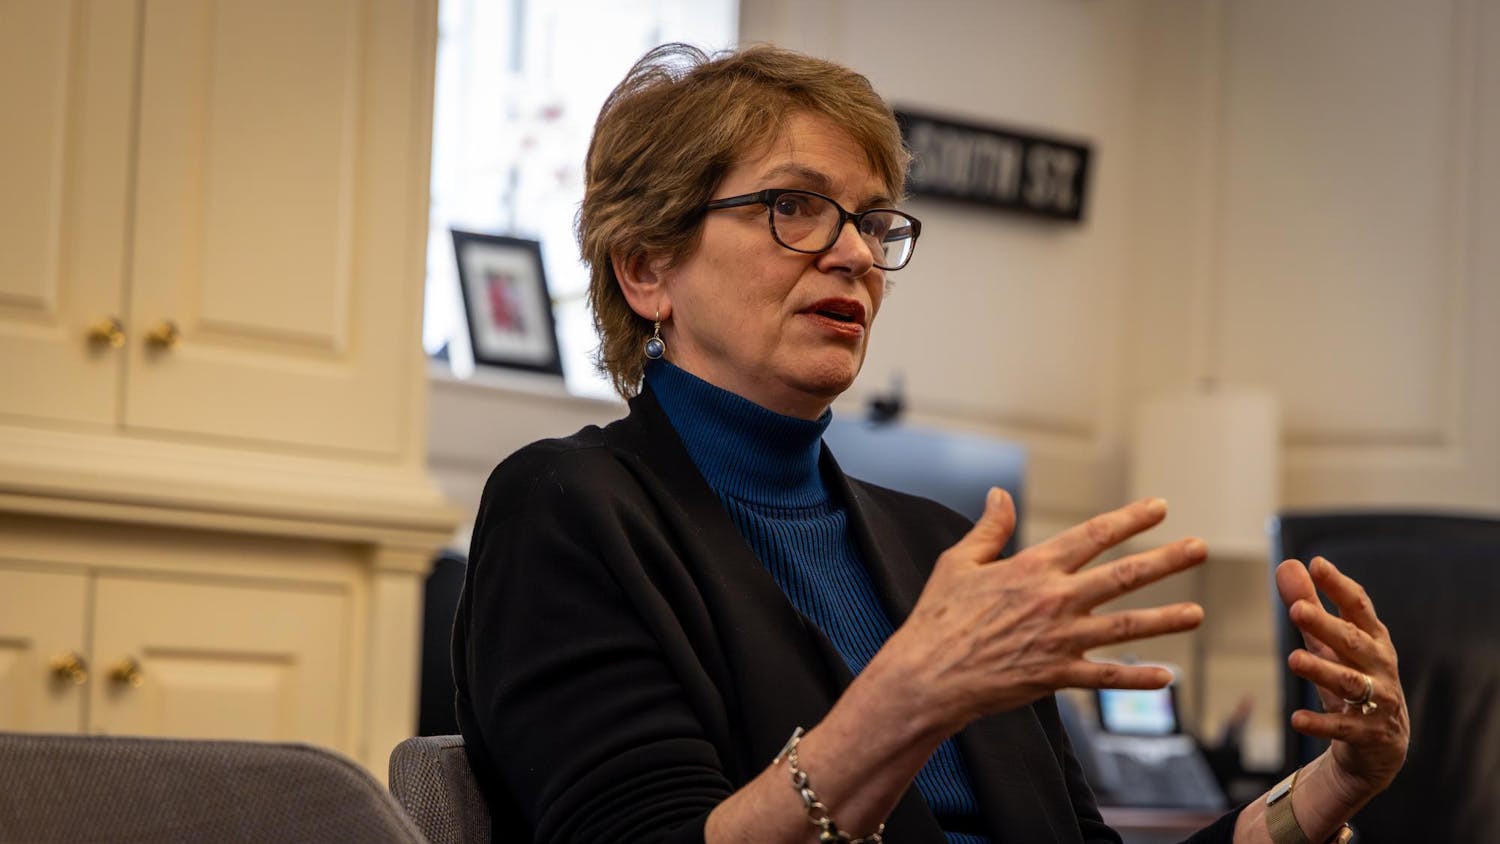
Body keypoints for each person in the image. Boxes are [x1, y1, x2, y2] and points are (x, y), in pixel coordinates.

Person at [452, 43, 1408, 844]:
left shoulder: (946, 549)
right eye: (794, 205)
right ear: (646, 266)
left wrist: (1334, 784)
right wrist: (909, 697)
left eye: (871, 220)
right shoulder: (570, 508)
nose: (858, 254)